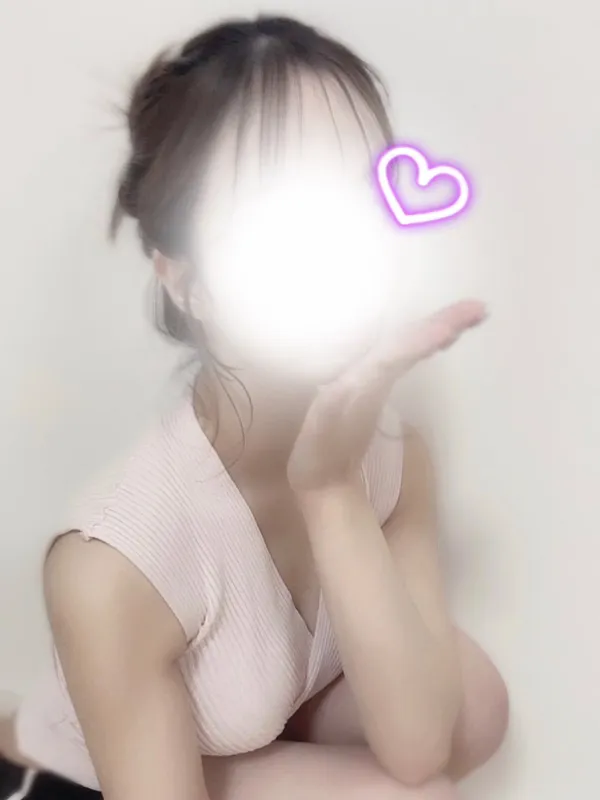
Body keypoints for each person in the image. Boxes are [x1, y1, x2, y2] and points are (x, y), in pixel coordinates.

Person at [0, 14, 509, 800]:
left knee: (471, 705)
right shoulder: (116, 563)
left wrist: (332, 490)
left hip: (237, 730)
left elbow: (419, 746)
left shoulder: (393, 456)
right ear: (186, 281)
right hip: (64, 780)